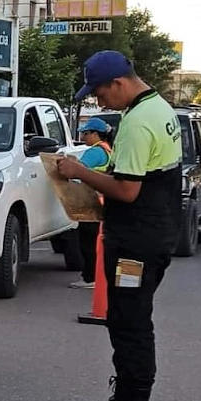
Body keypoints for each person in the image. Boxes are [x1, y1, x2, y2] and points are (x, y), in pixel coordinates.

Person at [57, 51, 182, 401]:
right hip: (149, 234)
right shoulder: (155, 107)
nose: (98, 102)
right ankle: (123, 399)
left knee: (131, 324)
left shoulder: (138, 122)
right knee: (124, 320)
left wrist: (80, 173)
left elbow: (127, 190)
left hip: (136, 245)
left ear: (118, 83)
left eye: (98, 93)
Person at [70, 117, 113, 289]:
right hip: (101, 202)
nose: (83, 137)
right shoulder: (107, 150)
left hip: (91, 202)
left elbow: (76, 170)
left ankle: (89, 278)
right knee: (94, 241)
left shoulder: (94, 152)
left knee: (87, 241)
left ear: (96, 134)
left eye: (86, 133)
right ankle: (94, 276)